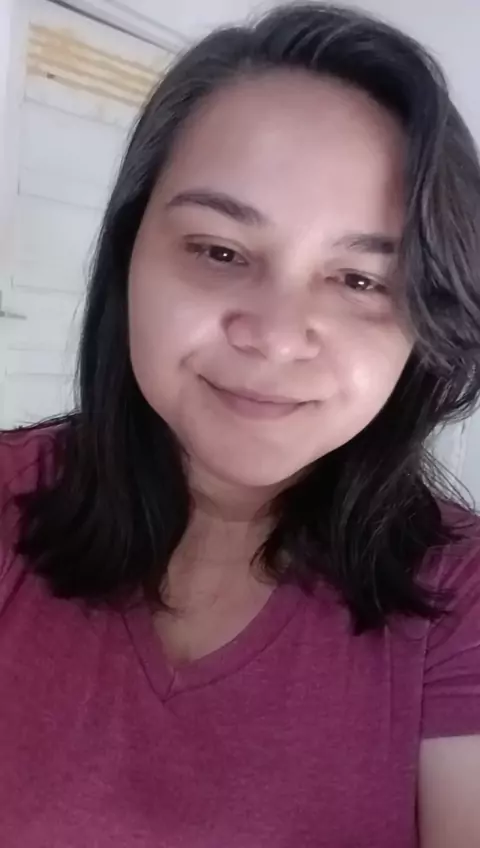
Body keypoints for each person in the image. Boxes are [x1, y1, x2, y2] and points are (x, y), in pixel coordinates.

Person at [1, 2, 480, 845]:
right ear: (129, 252)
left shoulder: (462, 596)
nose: (276, 335)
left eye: (362, 280)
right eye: (220, 251)